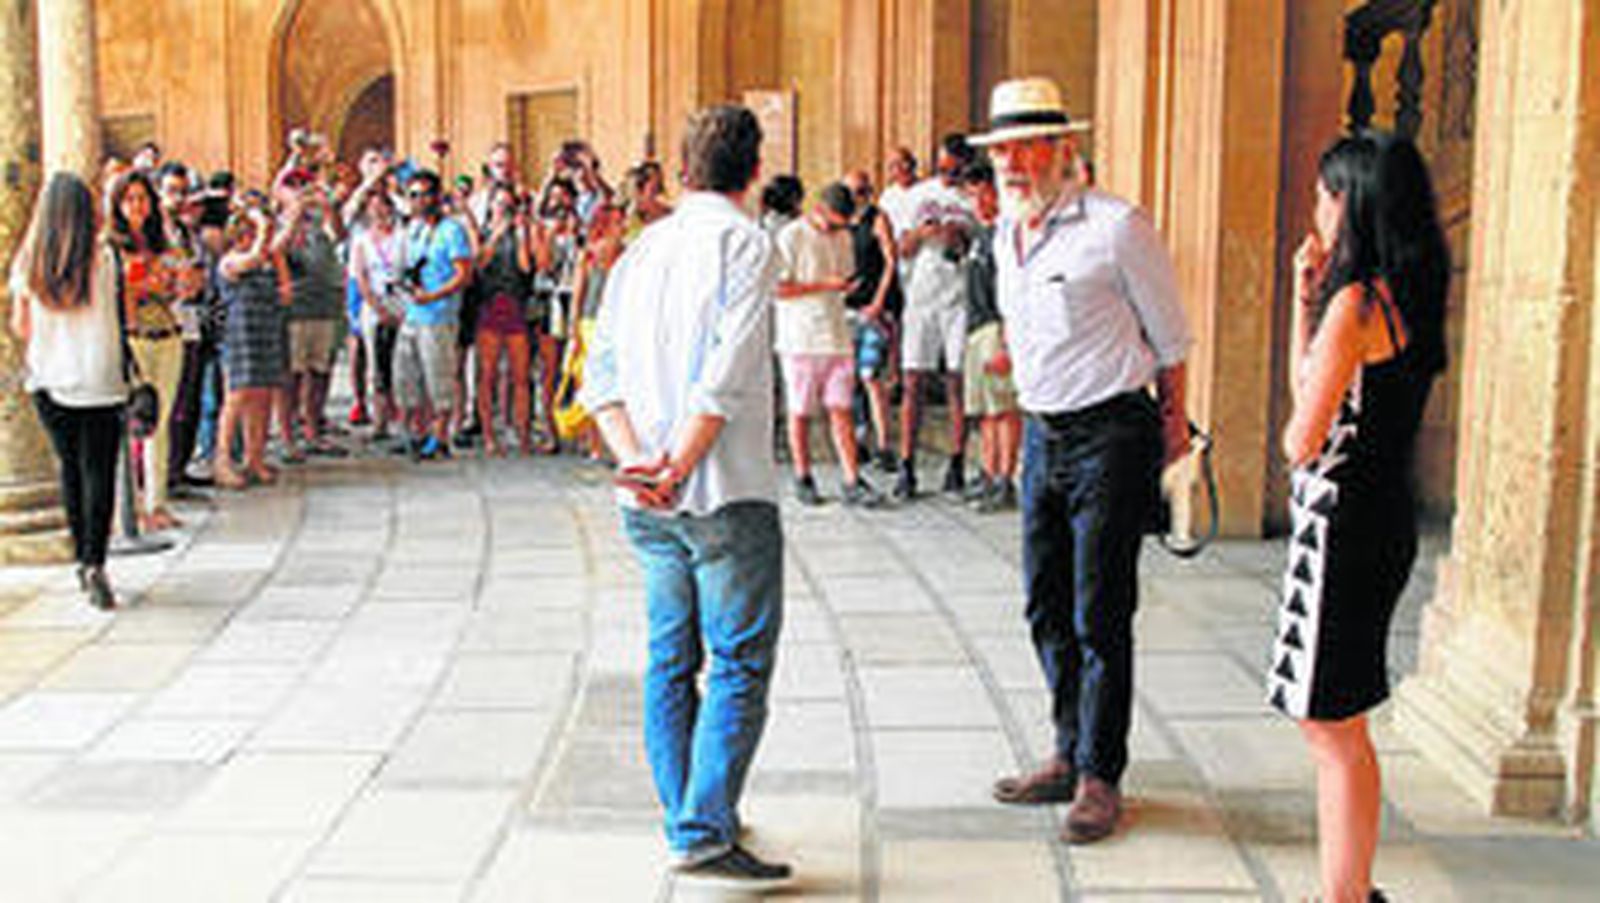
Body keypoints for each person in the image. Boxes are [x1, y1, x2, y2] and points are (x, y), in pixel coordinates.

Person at [581, 104, 792, 890]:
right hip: (726, 489)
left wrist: (639, 462)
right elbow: (728, 372)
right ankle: (701, 829)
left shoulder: (643, 249)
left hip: (648, 496)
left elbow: (597, 372)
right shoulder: (747, 243)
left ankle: (691, 817)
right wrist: (682, 464)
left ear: (682, 169)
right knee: (738, 658)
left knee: (672, 657)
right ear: (754, 171)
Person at [974, 78, 1191, 844]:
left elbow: (1171, 340)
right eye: (1000, 150)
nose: (1011, 162)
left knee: (1101, 609)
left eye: (1025, 146)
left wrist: (1172, 434)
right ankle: (1068, 749)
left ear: (1063, 148)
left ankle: (1102, 772)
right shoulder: (1008, 230)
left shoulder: (1118, 226)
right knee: (1044, 601)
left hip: (1113, 434)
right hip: (1042, 432)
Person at [1272, 131, 1448, 903]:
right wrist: (1302, 300)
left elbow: (1299, 435)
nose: (1317, 206)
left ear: (1352, 203)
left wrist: (1317, 304)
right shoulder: (1401, 296)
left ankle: (1345, 896)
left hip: (1338, 531)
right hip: (1379, 521)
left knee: (1331, 727)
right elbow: (1317, 388)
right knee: (1338, 723)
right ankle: (1349, 890)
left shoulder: (1356, 304)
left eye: (1324, 192)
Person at [8, 173, 128, 610]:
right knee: (100, 471)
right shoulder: (105, 258)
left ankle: (81, 559)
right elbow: (121, 314)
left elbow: (21, 329)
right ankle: (97, 561)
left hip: (49, 379)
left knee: (70, 470)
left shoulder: (29, 263)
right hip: (101, 378)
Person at [774, 183, 884, 507]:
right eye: (834, 223)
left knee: (842, 410)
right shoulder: (791, 236)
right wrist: (824, 285)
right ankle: (803, 475)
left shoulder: (844, 237)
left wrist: (846, 288)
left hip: (836, 335)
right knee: (800, 412)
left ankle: (852, 478)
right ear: (818, 210)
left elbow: (843, 278)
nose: (838, 230)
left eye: (843, 225)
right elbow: (779, 289)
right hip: (800, 338)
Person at [108, 170, 194, 533]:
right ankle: (125, 506)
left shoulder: (164, 244)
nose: (137, 206)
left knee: (161, 421)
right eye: (129, 199)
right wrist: (140, 288)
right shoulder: (112, 246)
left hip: (168, 333)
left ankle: (156, 502)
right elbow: (117, 291)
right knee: (131, 422)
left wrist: (178, 284)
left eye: (142, 198)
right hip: (134, 338)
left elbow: (184, 281)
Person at [893, 133, 977, 500]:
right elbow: (902, 247)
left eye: (954, 170)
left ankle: (956, 462)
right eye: (943, 168)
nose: (948, 175)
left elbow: (978, 243)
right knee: (913, 380)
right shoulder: (918, 196)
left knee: (956, 380)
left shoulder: (972, 197)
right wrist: (921, 233)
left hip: (957, 297)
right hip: (921, 297)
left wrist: (955, 235)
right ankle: (906, 464)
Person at [395, 169, 472, 459]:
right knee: (409, 377)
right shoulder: (412, 230)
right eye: (413, 195)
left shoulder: (452, 230)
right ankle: (420, 431)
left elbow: (463, 274)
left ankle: (440, 437)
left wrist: (434, 295)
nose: (418, 201)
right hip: (413, 314)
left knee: (439, 378)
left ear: (436, 196)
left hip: (439, 315)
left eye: (424, 194)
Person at [957, 161, 1020, 512]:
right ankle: (988, 472)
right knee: (984, 411)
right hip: (976, 327)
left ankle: (1005, 480)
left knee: (1004, 409)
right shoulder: (979, 234)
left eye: (984, 194)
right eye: (972, 196)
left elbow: (1014, 292)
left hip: (998, 327)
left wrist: (1010, 343)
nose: (979, 202)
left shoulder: (1007, 234)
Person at [215, 204, 291, 489]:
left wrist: (277, 255)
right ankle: (222, 460)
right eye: (245, 233)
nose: (252, 238)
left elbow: (285, 294)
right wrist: (262, 227)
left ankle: (255, 457)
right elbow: (254, 257)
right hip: (240, 334)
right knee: (238, 395)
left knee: (264, 395)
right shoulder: (230, 262)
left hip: (266, 331)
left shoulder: (266, 259)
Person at [276, 167, 348, 456]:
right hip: (295, 307)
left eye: (305, 185)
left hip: (325, 303)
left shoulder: (322, 219)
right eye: (294, 186)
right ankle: (287, 434)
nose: (301, 191)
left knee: (320, 371)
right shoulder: (278, 220)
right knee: (291, 375)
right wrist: (294, 212)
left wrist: (327, 205)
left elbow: (338, 234)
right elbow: (278, 249)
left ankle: (313, 429)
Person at [841, 168, 900, 473]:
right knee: (850, 381)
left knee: (871, 377)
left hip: (872, 309)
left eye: (863, 191)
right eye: (851, 193)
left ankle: (884, 445)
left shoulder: (877, 218)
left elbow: (891, 260)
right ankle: (860, 440)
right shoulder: (841, 223)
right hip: (846, 310)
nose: (857, 198)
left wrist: (879, 302)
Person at [472, 181, 534, 456]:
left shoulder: (521, 233)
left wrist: (520, 233)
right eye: (500, 205)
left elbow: (525, 266)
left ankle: (522, 434)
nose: (504, 210)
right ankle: (488, 434)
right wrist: (496, 235)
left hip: (515, 304)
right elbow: (479, 263)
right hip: (490, 304)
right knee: (487, 374)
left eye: (509, 205)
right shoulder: (483, 231)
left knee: (520, 375)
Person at [348, 190, 406, 444]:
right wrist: (377, 307)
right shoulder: (361, 240)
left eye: (383, 206)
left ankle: (406, 420)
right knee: (376, 365)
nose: (379, 212)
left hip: (402, 302)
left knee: (403, 363)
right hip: (374, 304)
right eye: (373, 208)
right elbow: (360, 276)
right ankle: (379, 421)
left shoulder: (403, 237)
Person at [528, 178, 581, 452]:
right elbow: (542, 264)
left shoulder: (582, 225)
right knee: (549, 368)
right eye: (554, 197)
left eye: (565, 197)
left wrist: (575, 236)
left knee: (576, 366)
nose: (559, 203)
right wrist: (551, 235)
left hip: (575, 296)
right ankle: (547, 428)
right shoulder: (540, 228)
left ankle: (580, 428)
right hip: (550, 299)